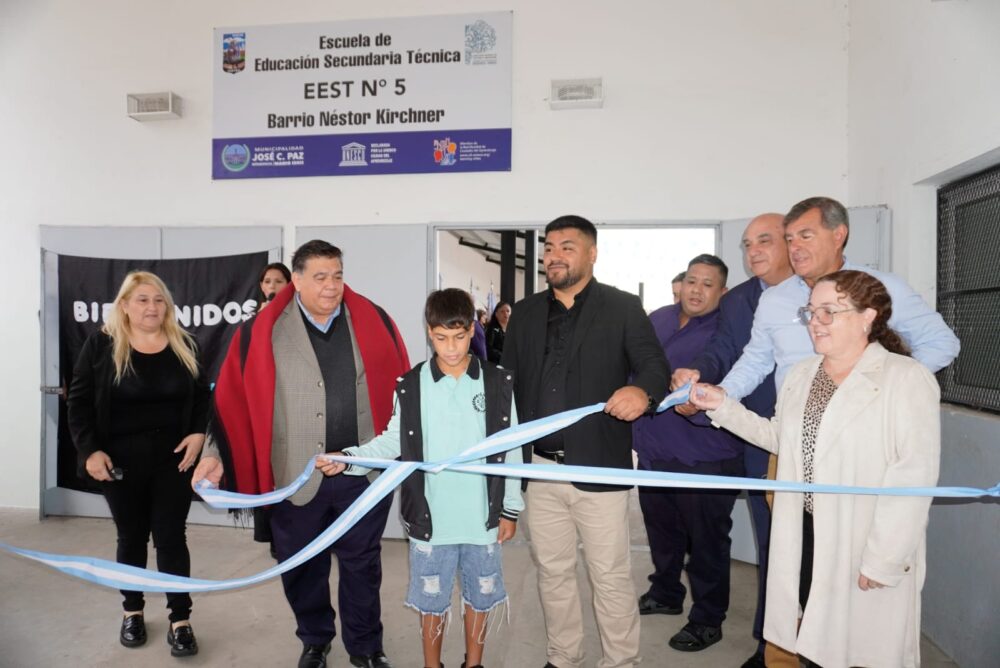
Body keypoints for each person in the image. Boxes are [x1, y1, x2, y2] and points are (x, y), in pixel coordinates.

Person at [688, 270, 941, 668]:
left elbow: (912, 478)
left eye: (829, 312)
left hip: (864, 537)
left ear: (867, 317)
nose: (816, 323)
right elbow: (780, 440)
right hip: (806, 532)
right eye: (810, 313)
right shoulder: (804, 375)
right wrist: (722, 406)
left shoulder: (906, 379)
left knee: (865, 651)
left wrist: (884, 559)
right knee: (815, 643)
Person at [193, 240, 409, 668]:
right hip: (293, 476)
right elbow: (233, 401)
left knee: (362, 565)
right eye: (320, 277)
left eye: (338, 275)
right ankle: (314, 638)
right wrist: (216, 453)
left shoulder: (374, 321)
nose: (331, 286)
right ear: (296, 280)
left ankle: (366, 647)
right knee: (300, 565)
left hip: (360, 473)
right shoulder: (263, 330)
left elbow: (403, 392)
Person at [321, 288, 523, 668]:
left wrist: (510, 508)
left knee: (479, 597)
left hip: (483, 518)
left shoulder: (497, 383)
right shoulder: (410, 385)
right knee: (432, 601)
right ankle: (433, 665)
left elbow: (512, 449)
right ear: (429, 332)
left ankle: (473, 663)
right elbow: (390, 444)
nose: (451, 348)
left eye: (460, 337)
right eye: (442, 338)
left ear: (472, 330)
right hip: (431, 519)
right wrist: (348, 458)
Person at [501, 215, 669, 668]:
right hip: (539, 468)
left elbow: (655, 365)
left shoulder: (621, 307)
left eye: (567, 247)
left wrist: (643, 391)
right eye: (549, 247)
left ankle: (620, 662)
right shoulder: (527, 312)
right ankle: (563, 657)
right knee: (553, 573)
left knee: (610, 575)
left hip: (599, 463)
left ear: (592, 254)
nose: (554, 255)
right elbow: (507, 386)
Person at [673, 197, 959, 404]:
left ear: (838, 235)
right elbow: (756, 361)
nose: (795, 248)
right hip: (792, 431)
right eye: (789, 239)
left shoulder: (883, 288)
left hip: (864, 429)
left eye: (806, 236)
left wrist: (886, 385)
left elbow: (942, 343)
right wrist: (724, 394)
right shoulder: (774, 299)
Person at [672, 213, 793, 668]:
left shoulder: (826, 291)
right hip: (760, 438)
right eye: (746, 243)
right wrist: (701, 379)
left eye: (765, 240)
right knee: (773, 545)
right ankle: (772, 647)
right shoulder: (742, 300)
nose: (753, 251)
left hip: (828, 439)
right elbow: (729, 352)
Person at [67, 271, 209, 657]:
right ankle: (132, 611)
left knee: (171, 537)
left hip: (174, 461)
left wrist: (199, 434)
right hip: (119, 461)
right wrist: (90, 450)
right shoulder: (101, 345)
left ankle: (181, 620)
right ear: (125, 305)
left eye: (159, 300)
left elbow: (202, 398)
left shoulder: (186, 344)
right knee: (130, 538)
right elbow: (78, 403)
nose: (152, 307)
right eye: (143, 299)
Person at [633, 254, 744, 653]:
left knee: (707, 542)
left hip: (705, 455)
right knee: (662, 532)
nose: (695, 290)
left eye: (706, 284)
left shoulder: (728, 331)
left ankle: (708, 618)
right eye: (691, 281)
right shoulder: (659, 317)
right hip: (655, 450)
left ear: (723, 291)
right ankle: (665, 592)